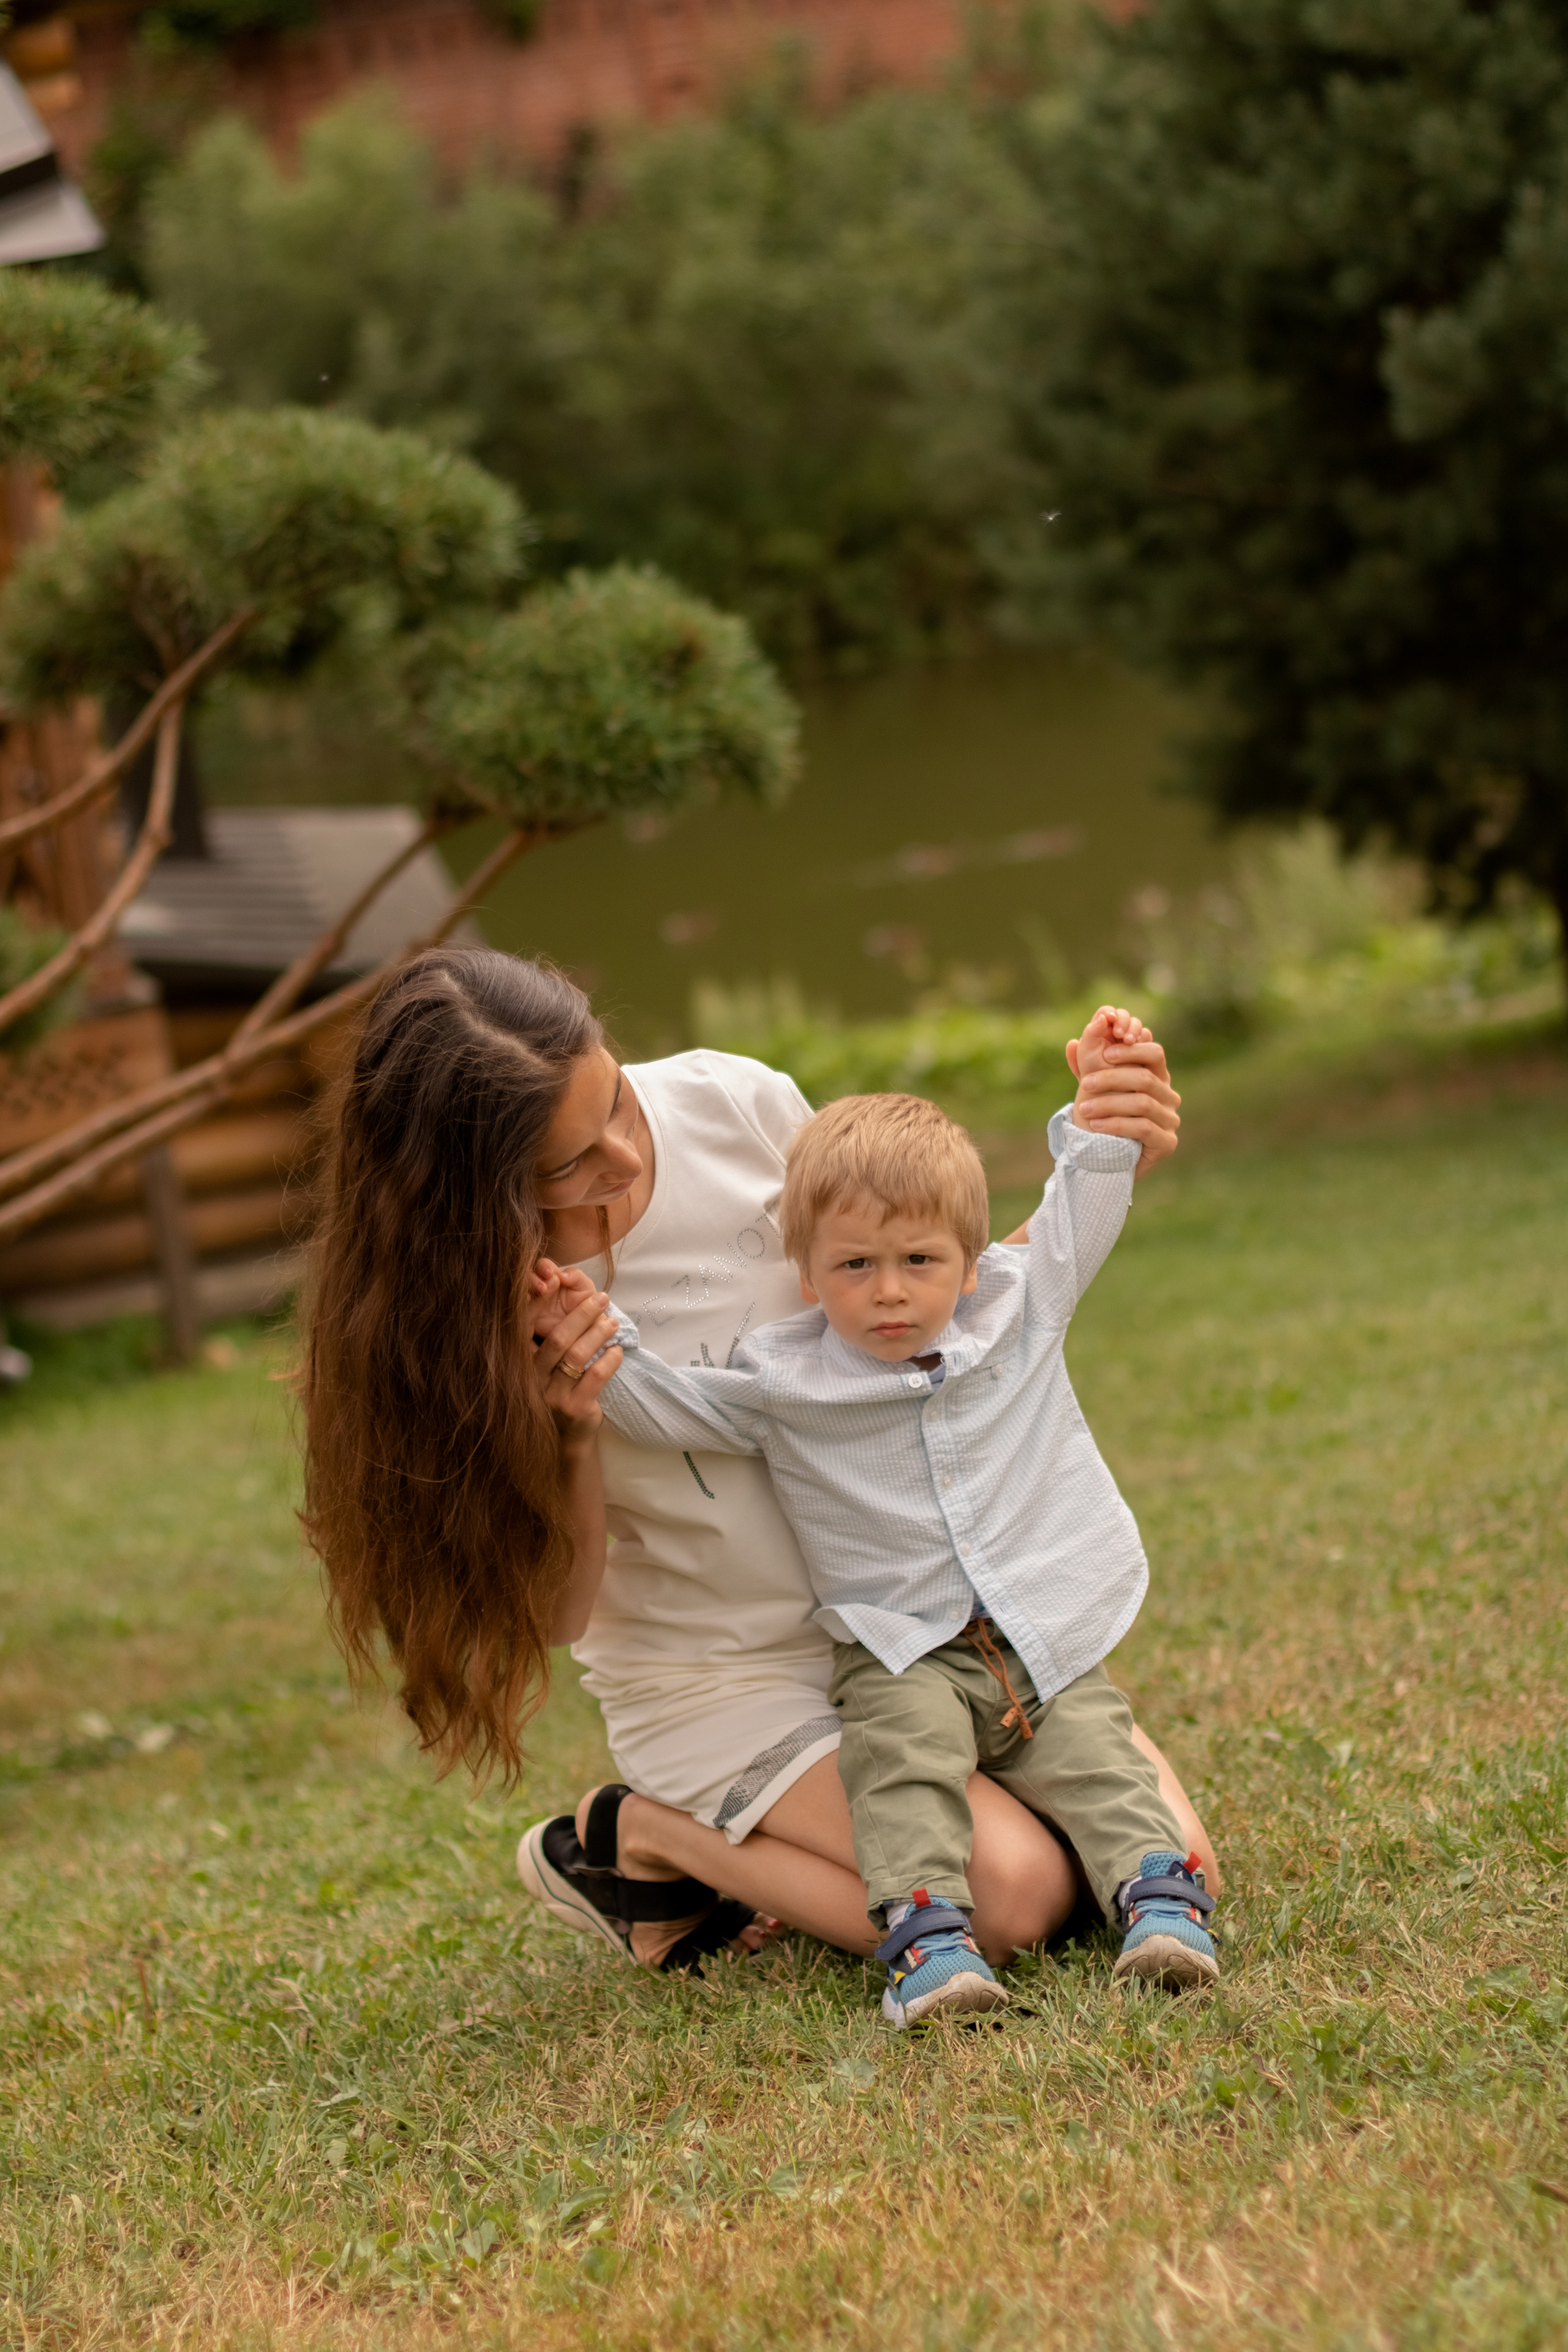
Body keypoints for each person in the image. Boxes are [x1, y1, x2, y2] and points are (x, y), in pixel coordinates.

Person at [301, 948, 1215, 1982]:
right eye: (570, 1164)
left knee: (1174, 1875)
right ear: (476, 1195)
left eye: (616, 1101)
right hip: (726, 1674)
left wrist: (1102, 1162)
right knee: (1015, 1901)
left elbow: (914, 1315)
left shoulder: (733, 1104)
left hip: (911, 1618)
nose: (626, 1158)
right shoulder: (482, 1316)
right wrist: (571, 1437)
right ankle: (642, 1838)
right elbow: (553, 1618)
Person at [565, 1045, 1217, 2025]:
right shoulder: (791, 1377)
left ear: (969, 1263)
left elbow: (1077, 1223)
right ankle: (930, 1938)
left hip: (1031, 1641)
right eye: (855, 1268)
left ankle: (1161, 1904)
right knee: (906, 1775)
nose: (889, 1293)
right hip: (896, 1645)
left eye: (919, 1264)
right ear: (808, 1274)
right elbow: (685, 1410)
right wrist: (599, 1354)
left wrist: (1101, 1122)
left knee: (1118, 1784)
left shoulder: (1012, 1306)